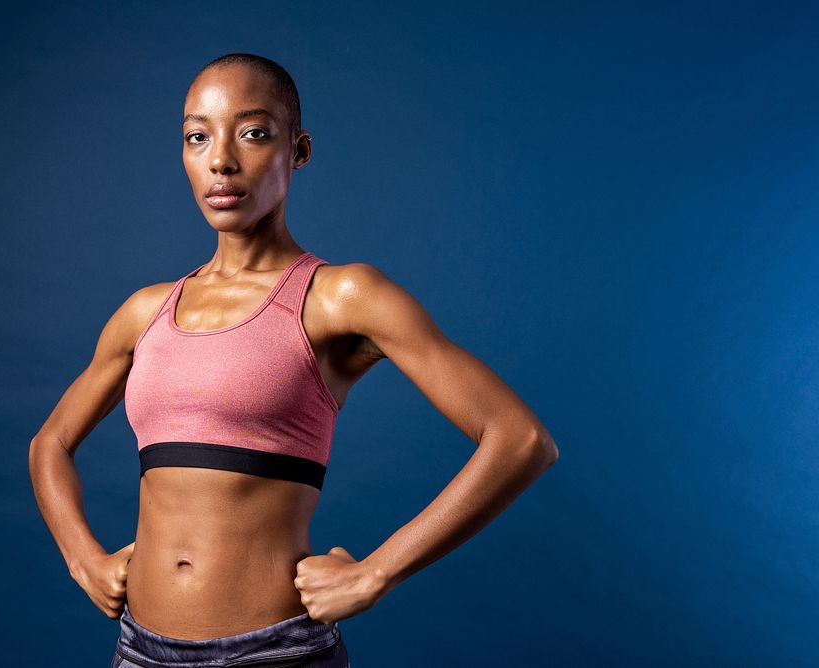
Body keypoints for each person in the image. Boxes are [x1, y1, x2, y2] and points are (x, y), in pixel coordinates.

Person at [28, 52, 559, 668]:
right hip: (140, 652)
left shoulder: (340, 297)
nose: (221, 160)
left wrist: (377, 572)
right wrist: (82, 558)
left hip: (274, 654)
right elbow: (51, 443)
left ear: (298, 149)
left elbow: (521, 440)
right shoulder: (145, 312)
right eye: (197, 137)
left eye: (253, 134)